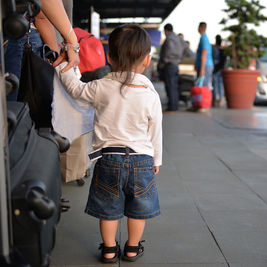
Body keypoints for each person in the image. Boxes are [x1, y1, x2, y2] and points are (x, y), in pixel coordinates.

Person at [56, 24, 162, 263]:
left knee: (108, 208)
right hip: (142, 160)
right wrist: (157, 159)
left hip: (108, 159)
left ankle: (109, 249)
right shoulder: (150, 92)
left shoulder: (101, 86)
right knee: (138, 209)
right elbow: (156, 129)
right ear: (147, 60)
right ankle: (133, 248)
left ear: (110, 57)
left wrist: (64, 66)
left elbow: (75, 88)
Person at [158, 23, 185, 112]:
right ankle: (175, 106)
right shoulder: (179, 39)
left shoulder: (168, 39)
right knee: (174, 86)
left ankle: (172, 107)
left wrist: (161, 64)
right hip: (176, 65)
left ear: (166, 30)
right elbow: (186, 48)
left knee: (170, 86)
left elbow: (165, 54)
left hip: (168, 65)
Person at [195, 22, 213, 91]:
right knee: (203, 86)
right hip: (205, 65)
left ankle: (204, 102)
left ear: (200, 27)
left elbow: (204, 54)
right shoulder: (203, 37)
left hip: (205, 66)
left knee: (204, 88)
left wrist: (202, 70)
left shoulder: (204, 38)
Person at [212, 35, 226, 107]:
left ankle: (216, 98)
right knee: (220, 84)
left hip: (216, 67)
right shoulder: (222, 49)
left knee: (216, 83)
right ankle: (220, 98)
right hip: (220, 68)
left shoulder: (214, 48)